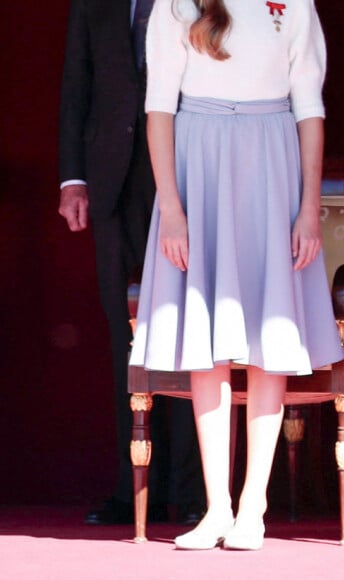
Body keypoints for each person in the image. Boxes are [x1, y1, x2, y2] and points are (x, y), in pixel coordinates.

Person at [129, 0, 344, 551]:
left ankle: (254, 506)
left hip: (273, 164)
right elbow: (159, 109)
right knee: (210, 341)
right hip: (197, 163)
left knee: (268, 340)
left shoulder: (293, 4)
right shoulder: (176, 6)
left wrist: (308, 205)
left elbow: (309, 108)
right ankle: (217, 507)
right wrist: (172, 209)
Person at [58, 0, 205, 526]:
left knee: (194, 333)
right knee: (127, 337)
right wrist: (73, 177)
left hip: (189, 176)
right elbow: (79, 81)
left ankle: (196, 494)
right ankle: (135, 487)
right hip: (113, 180)